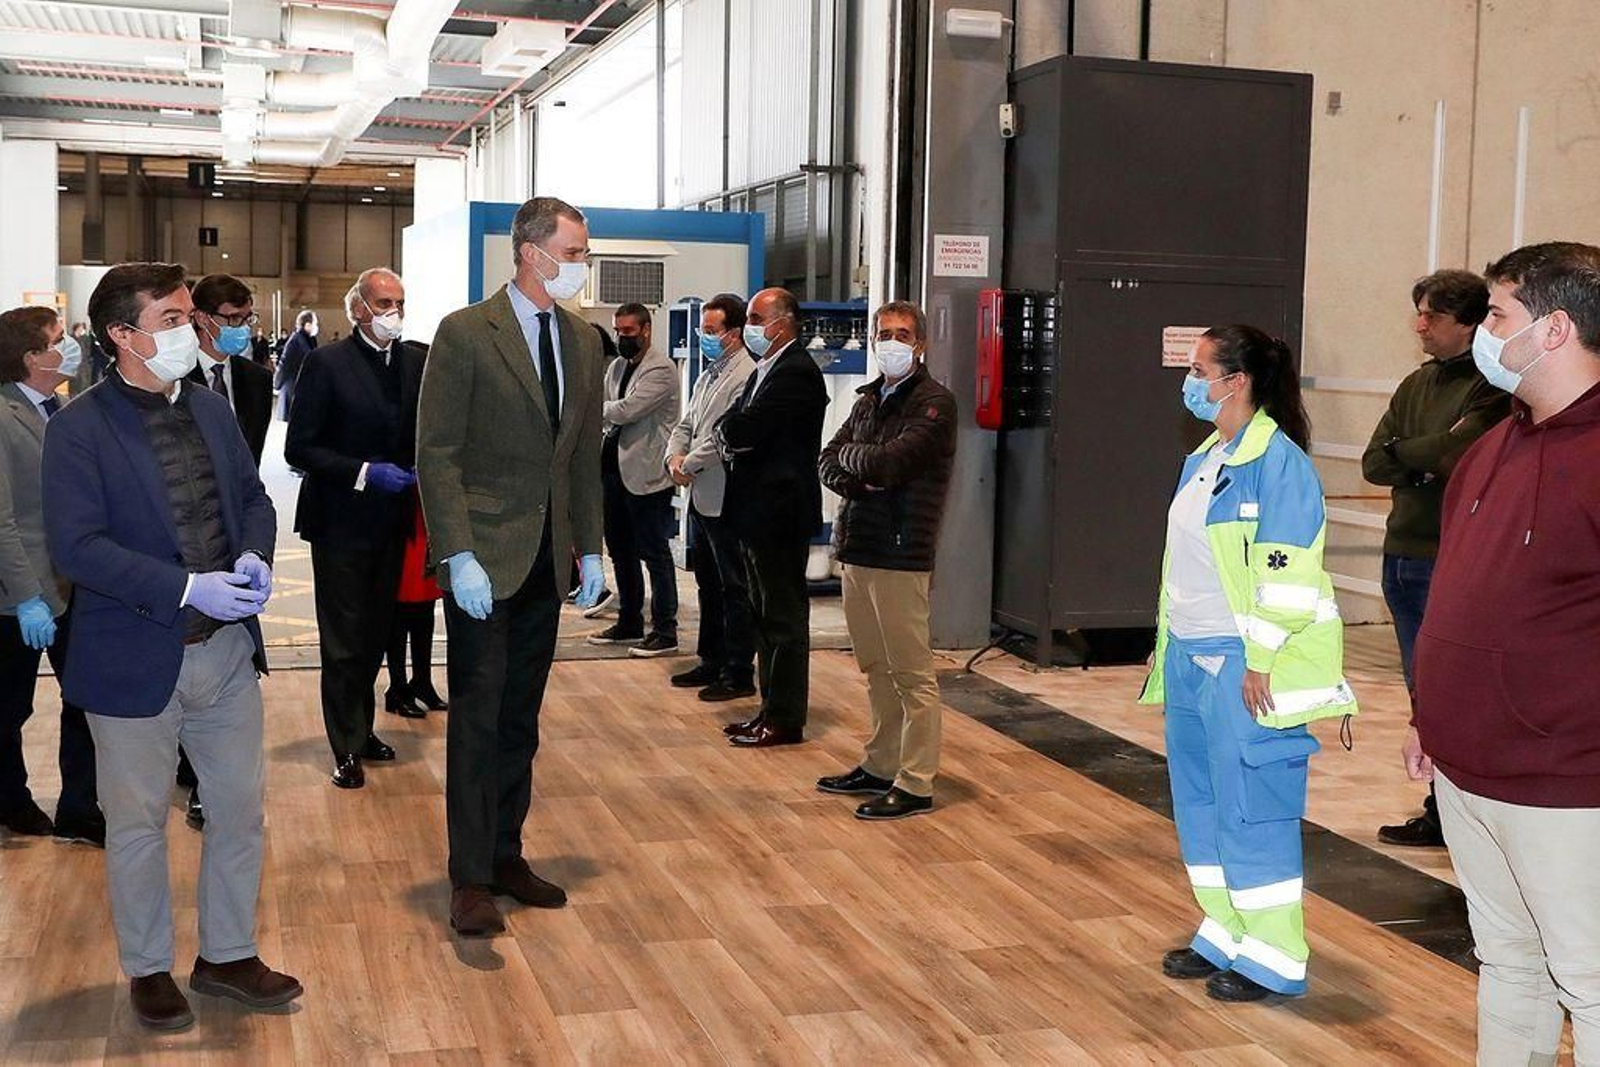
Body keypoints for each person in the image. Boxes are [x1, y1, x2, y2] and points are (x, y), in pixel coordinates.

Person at [42, 262, 299, 1031]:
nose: (193, 331)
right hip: (133, 657)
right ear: (122, 335)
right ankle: (148, 966)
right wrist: (187, 588)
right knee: (137, 822)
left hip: (224, 654)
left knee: (239, 811)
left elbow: (252, 497)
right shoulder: (77, 428)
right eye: (173, 320)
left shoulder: (213, 409)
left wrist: (253, 554)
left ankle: (227, 953)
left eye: (192, 317)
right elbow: (78, 547)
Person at [1408, 241, 1600, 1065]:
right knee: (1508, 963)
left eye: (1497, 314)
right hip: (1464, 769)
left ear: (1555, 328)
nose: (1484, 331)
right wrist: (1429, 716)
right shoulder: (1490, 447)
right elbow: (1456, 595)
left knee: (1589, 979)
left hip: (1565, 781)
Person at [1139, 325, 1357, 1002]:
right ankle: (1226, 929)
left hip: (1248, 664)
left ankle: (1274, 954)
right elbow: (1190, 565)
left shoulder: (1280, 463)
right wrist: (1166, 640)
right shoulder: (1205, 457)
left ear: (1237, 382)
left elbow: (1285, 574)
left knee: (1252, 809)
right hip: (1191, 658)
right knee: (1200, 805)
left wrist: (1260, 657)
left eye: (1201, 368)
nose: (1191, 380)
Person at [417, 196, 606, 937]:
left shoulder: (583, 341)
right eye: (576, 250)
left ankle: (506, 854)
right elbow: (437, 453)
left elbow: (581, 456)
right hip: (483, 560)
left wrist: (589, 544)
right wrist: (455, 551)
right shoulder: (466, 333)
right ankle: (468, 876)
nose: (582, 264)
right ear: (532, 252)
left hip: (545, 562)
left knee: (520, 718)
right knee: (476, 717)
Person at [1363, 270, 1508, 848]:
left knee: (1454, 691)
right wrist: (1416, 459)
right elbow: (1376, 461)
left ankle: (1463, 814)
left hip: (1449, 556)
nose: (1421, 325)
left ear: (1469, 323)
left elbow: (1456, 453)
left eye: (1434, 317)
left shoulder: (1492, 388)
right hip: (1402, 552)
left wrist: (1418, 457)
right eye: (1418, 314)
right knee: (1420, 692)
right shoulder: (1416, 386)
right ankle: (1440, 808)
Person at [816, 300, 957, 820]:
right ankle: (880, 763)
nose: (891, 342)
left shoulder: (935, 404)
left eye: (901, 333)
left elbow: (892, 462)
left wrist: (864, 464)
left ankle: (916, 781)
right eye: (883, 333)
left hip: (901, 553)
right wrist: (861, 472)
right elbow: (830, 459)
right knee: (875, 667)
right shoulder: (868, 399)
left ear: (920, 343)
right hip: (859, 548)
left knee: (912, 674)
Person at [285, 269, 423, 790]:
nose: (394, 312)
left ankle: (361, 728)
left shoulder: (414, 360)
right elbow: (300, 447)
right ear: (358, 308)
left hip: (393, 523)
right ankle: (344, 744)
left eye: (401, 302)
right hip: (340, 521)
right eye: (384, 302)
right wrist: (365, 473)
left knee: (375, 635)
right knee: (343, 639)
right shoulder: (327, 363)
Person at [0, 307, 102, 846]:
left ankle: (80, 809)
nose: (71, 347)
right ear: (31, 357)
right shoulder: (2, 415)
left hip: (70, 585)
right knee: (10, 707)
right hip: (19, 595)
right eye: (59, 341)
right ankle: (10, 800)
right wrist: (26, 597)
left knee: (83, 697)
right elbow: (3, 519)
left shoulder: (55, 406)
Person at [715, 287, 828, 748]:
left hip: (780, 513)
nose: (750, 329)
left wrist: (733, 432)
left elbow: (744, 426)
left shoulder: (797, 372)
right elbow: (732, 422)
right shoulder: (766, 368)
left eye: (758, 319)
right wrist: (733, 431)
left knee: (782, 619)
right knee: (764, 616)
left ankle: (785, 718)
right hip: (757, 513)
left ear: (782, 323)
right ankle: (768, 708)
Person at [665, 293, 757, 701]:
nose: (703, 337)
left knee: (733, 586)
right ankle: (710, 659)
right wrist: (673, 457)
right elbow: (687, 423)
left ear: (734, 334)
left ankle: (738, 670)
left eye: (710, 331)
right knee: (706, 582)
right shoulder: (707, 375)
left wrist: (689, 464)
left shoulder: (746, 375)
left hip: (725, 493)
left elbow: (727, 435)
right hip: (699, 494)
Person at [587, 302, 681, 656]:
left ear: (645, 330)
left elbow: (625, 411)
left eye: (628, 332)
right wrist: (602, 409)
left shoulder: (661, 369)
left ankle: (665, 629)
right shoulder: (616, 367)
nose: (621, 338)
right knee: (620, 550)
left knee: (654, 553)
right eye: (617, 331)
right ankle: (629, 620)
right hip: (613, 471)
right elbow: (609, 406)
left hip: (647, 476)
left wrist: (591, 407)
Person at [384, 489, 446, 719]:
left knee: (426, 605)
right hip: (402, 508)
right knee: (400, 609)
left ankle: (423, 681)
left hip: (427, 513)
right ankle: (397, 688)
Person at [273, 309, 317, 422]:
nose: (316, 327)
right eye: (315, 324)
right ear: (307, 325)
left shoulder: (306, 339)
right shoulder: (296, 340)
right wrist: (276, 384)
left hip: (299, 390)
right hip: (292, 390)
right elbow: (284, 364)